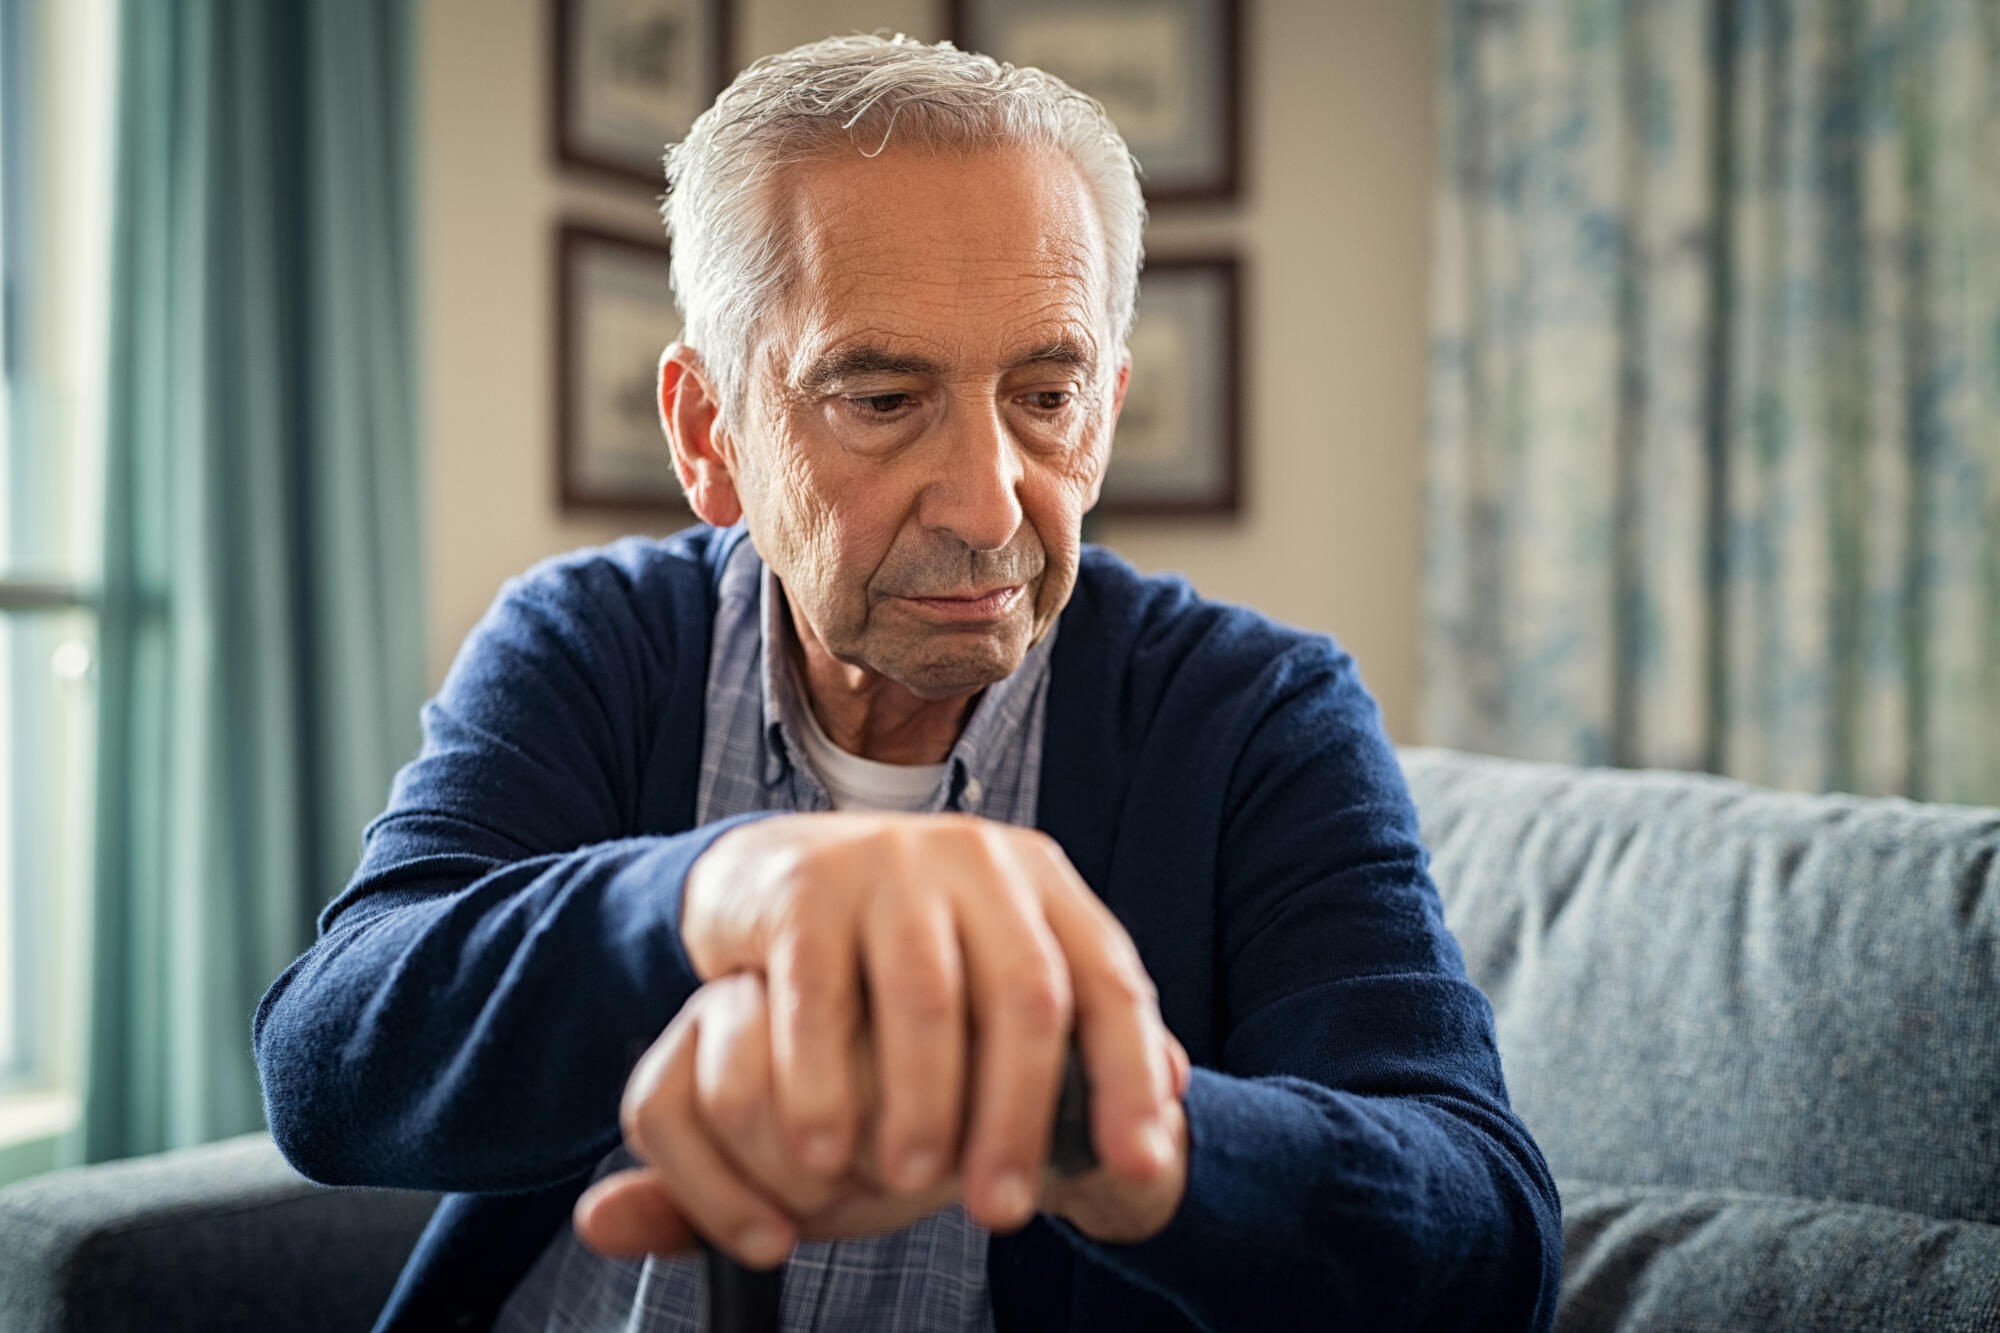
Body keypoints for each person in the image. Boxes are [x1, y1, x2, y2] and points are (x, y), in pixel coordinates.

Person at [254, 34, 1561, 1333]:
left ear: (1104, 409)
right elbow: (331, 1066)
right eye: (883, 398)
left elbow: (1487, 1239)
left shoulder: (1256, 717)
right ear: (710, 433)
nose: (991, 503)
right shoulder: (595, 640)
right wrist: (726, 890)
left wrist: (1081, 1108)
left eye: (1045, 395)